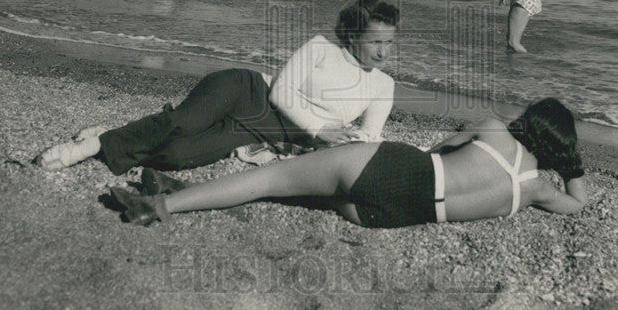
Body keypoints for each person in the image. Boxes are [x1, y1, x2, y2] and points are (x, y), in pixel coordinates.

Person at [35, 0, 399, 173]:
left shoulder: (383, 85)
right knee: (182, 123)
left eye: (389, 42)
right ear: (352, 36)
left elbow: (371, 137)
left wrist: (347, 142)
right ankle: (91, 145)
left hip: (266, 133)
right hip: (245, 91)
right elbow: (280, 93)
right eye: (375, 42)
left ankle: (123, 132)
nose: (383, 51)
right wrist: (322, 128)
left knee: (176, 157)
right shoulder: (320, 47)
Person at [107, 97, 588, 228]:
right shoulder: (538, 191)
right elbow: (578, 203)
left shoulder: (494, 129)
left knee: (270, 178)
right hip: (385, 216)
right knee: (285, 188)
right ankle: (173, 189)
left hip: (397, 170)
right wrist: (570, 163)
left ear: (528, 122)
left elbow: (442, 148)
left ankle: (160, 207)